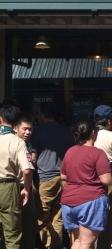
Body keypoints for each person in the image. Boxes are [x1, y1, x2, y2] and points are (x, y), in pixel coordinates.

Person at [61, 119, 112, 249]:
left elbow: (63, 176)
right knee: (85, 242)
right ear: (93, 133)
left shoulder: (70, 151)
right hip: (90, 201)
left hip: (68, 201)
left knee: (79, 241)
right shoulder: (97, 153)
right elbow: (106, 180)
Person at [32, 102, 75, 249]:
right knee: (58, 215)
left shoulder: (38, 132)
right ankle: (57, 245)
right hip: (64, 178)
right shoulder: (66, 131)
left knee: (41, 215)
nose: (37, 117)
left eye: (38, 114)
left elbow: (33, 157)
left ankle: (48, 245)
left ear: (43, 115)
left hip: (45, 178)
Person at [0, 105, 34, 249]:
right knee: (13, 233)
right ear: (15, 125)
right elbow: (27, 170)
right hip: (9, 187)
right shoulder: (17, 142)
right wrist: (27, 189)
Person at [93, 105, 112, 249]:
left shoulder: (90, 135)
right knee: (109, 220)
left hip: (91, 182)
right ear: (109, 121)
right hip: (109, 180)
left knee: (92, 219)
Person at [14, 112, 38, 249]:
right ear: (16, 128)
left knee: (29, 225)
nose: (28, 132)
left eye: (30, 129)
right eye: (25, 129)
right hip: (17, 187)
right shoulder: (14, 143)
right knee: (16, 225)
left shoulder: (28, 145)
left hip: (27, 187)